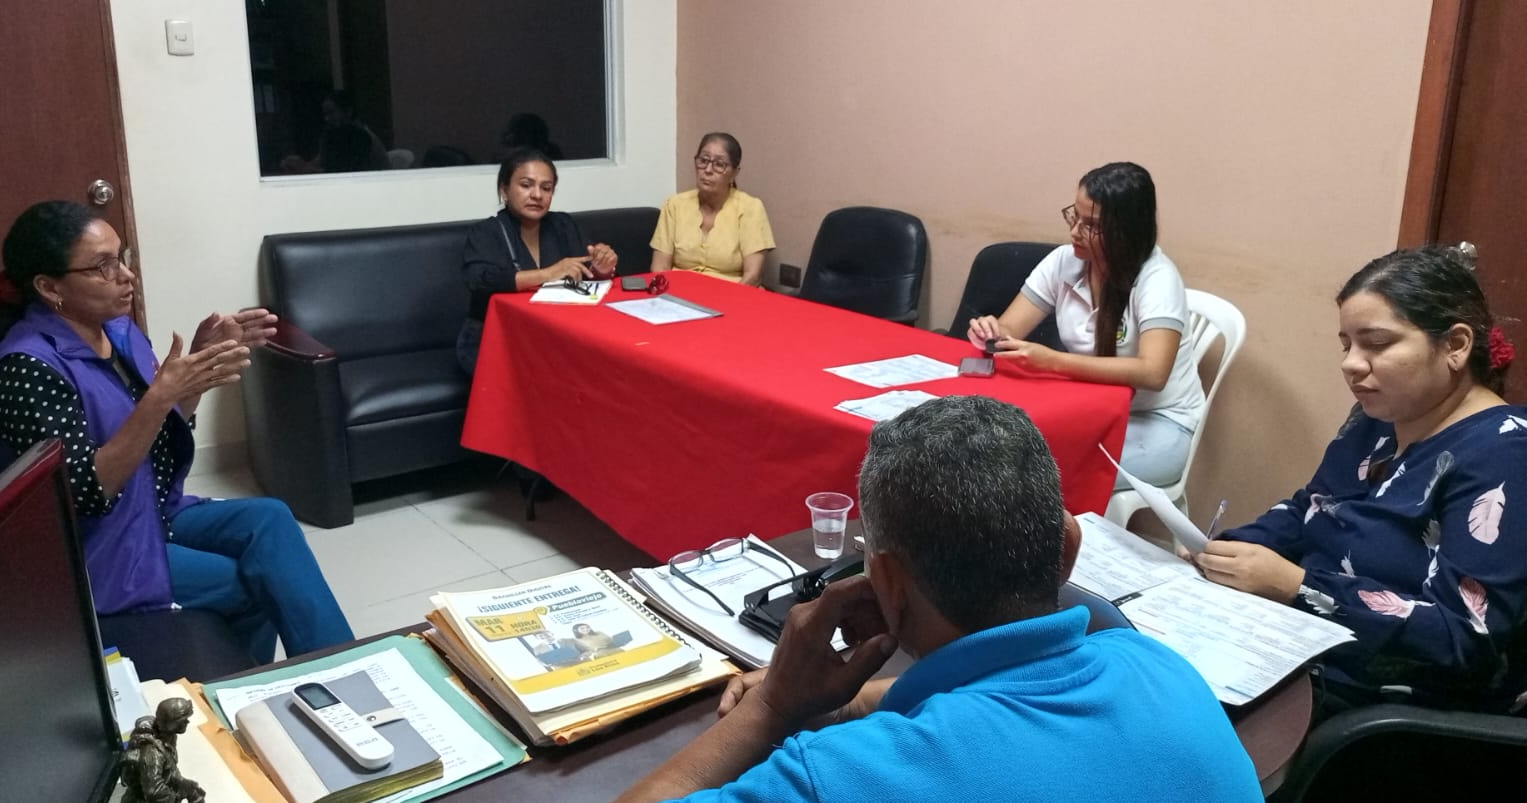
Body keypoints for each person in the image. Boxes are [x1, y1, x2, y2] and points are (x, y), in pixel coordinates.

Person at [617, 396, 1260, 802]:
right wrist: (844, 703)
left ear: (888, 584)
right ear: (1067, 548)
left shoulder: (850, 777)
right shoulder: (1161, 667)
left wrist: (775, 705)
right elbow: (1000, 693)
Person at [0, 201, 353, 665]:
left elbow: (156, 442)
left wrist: (197, 372)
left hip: (148, 511)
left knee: (270, 518)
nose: (126, 275)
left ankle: (348, 665)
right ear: (49, 287)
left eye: (122, 257)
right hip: (90, 548)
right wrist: (160, 396)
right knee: (248, 581)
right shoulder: (25, 369)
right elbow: (84, 493)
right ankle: (248, 684)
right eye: (103, 266)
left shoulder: (118, 331)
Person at [1201, 246, 1527, 715]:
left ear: (1455, 346)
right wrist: (1226, 551)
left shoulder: (1503, 455)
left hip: (1386, 703)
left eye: (1375, 344)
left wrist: (1297, 586)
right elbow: (1311, 507)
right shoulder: (1377, 418)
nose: (1351, 364)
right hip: (1300, 646)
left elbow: (1463, 638)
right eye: (1347, 345)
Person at [967, 161, 1203, 489]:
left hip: (1158, 423)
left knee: (1039, 476)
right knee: (997, 455)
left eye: (1091, 225)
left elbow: (1153, 372)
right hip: (1092, 409)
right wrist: (991, 332)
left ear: (1126, 230)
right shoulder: (1064, 261)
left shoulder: (1157, 279)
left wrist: (1052, 361)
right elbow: (1009, 329)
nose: (1075, 231)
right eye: (1074, 216)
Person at [456, 147, 618, 379]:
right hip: (493, 336)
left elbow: (586, 272)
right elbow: (478, 280)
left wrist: (602, 269)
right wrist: (547, 274)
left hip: (554, 334)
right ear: (504, 190)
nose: (537, 195)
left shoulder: (563, 225)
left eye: (546, 188)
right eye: (526, 185)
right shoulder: (486, 231)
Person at [650, 133, 775, 285]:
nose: (708, 170)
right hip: (678, 293)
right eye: (703, 161)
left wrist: (727, 300)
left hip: (733, 293)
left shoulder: (750, 208)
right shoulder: (674, 205)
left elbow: (753, 277)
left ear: (734, 173)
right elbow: (659, 267)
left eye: (719, 164)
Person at [279, 90, 389, 174]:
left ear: (348, 111)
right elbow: (321, 162)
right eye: (325, 114)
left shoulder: (362, 138)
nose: (327, 119)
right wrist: (298, 164)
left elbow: (346, 173)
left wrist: (306, 169)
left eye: (331, 113)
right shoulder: (332, 136)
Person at [120, 698, 205, 803]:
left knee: (193, 790)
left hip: (163, 786)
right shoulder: (153, 752)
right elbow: (154, 791)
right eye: (183, 720)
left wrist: (184, 785)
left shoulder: (169, 737)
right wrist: (175, 798)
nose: (187, 721)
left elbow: (169, 767)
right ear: (171, 723)